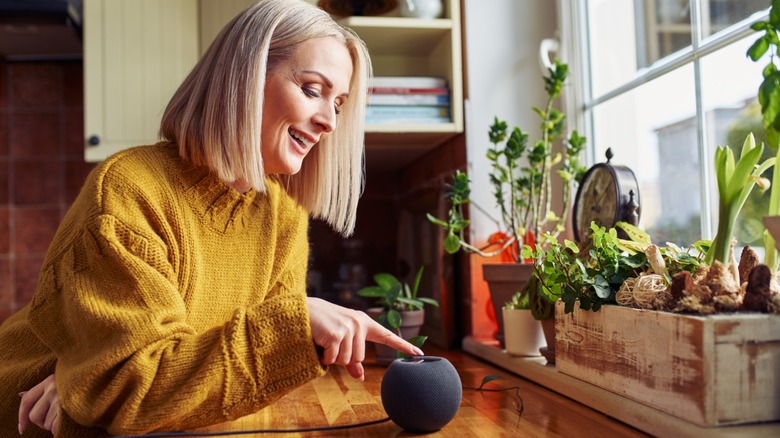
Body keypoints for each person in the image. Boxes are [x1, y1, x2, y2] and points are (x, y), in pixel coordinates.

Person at [1, 0, 423, 436]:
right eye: (313, 89)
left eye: (338, 103)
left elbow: (213, 381)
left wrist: (88, 383)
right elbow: (132, 387)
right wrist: (99, 382)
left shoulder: (282, 219)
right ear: (245, 78)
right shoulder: (130, 187)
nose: (330, 121)